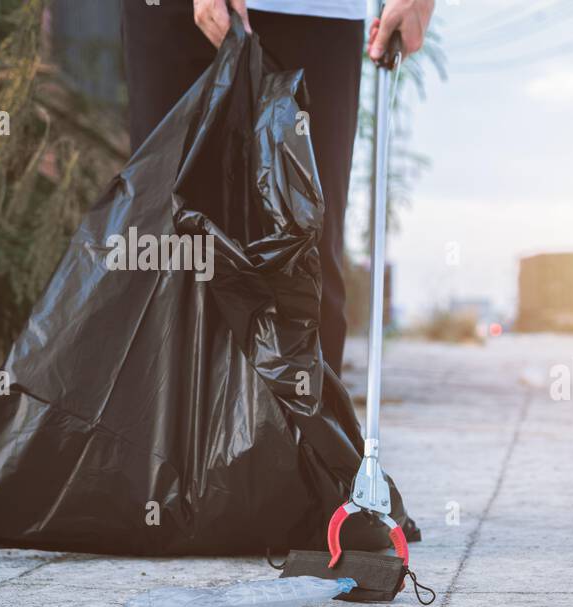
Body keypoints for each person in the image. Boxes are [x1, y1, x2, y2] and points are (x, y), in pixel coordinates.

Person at [120, 0, 435, 375]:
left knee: (303, 255)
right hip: (175, 13)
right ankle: (168, 432)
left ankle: (299, 432)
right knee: (170, 253)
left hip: (315, 14)